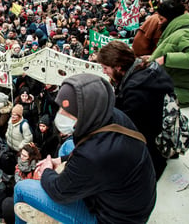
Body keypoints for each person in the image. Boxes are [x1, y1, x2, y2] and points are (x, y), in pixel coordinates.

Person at [13, 74, 156, 223]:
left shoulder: (93, 155)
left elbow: (59, 191)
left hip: (112, 218)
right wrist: (59, 160)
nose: (61, 114)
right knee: (68, 146)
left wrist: (48, 170)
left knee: (22, 189)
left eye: (68, 111)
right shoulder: (111, 115)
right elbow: (85, 153)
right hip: (126, 197)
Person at [98, 40, 174, 179]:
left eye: (105, 68)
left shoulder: (136, 90)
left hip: (149, 148)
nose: (104, 71)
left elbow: (129, 127)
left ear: (119, 67)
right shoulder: (147, 68)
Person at [150, 0, 189, 107]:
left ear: (171, 18)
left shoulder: (185, 33)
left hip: (187, 89)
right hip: (182, 84)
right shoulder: (177, 31)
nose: (159, 23)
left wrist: (165, 59)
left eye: (161, 19)